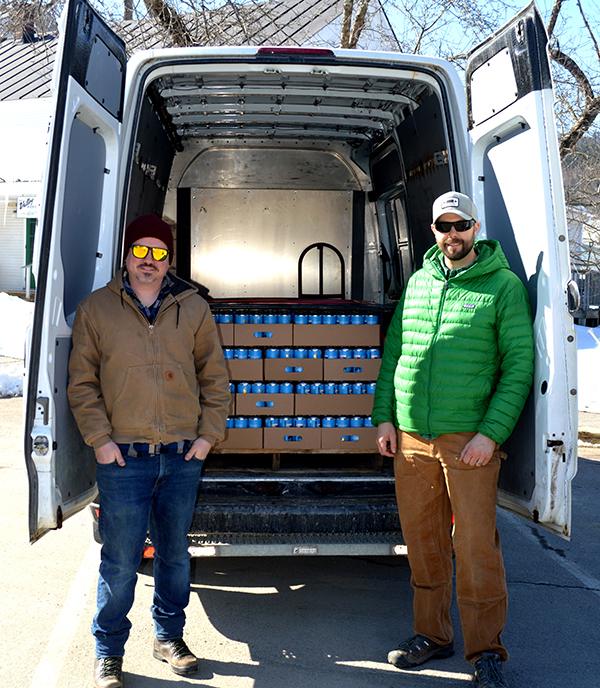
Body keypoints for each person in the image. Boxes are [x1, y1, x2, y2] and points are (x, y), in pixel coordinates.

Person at [372, 191, 534, 688]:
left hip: (469, 441)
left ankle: (487, 652)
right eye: (443, 226)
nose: (452, 235)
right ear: (434, 231)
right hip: (412, 437)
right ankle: (433, 635)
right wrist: (384, 418)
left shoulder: (503, 287)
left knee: (476, 546)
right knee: (424, 544)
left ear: (475, 227)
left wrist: (490, 435)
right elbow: (395, 353)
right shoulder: (419, 282)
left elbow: (518, 367)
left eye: (460, 225)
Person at [68, 214, 230, 688]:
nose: (148, 262)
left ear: (168, 259)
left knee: (175, 557)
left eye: (158, 253)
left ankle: (168, 638)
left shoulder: (193, 307)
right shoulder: (97, 309)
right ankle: (108, 651)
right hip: (124, 460)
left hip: (181, 457)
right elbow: (82, 384)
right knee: (120, 562)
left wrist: (206, 438)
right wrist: (99, 440)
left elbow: (215, 379)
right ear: (125, 255)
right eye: (140, 251)